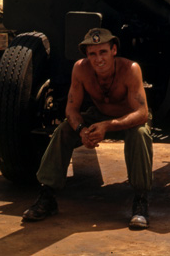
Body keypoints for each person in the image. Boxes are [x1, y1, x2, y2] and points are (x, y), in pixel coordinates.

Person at [22, 28, 153, 229]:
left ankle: (141, 201)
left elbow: (142, 113)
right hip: (98, 114)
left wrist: (106, 126)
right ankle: (47, 195)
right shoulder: (80, 69)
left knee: (141, 134)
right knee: (64, 130)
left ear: (114, 50)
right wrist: (82, 129)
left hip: (128, 117)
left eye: (103, 52)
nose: (98, 59)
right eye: (92, 54)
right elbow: (71, 109)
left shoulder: (131, 69)